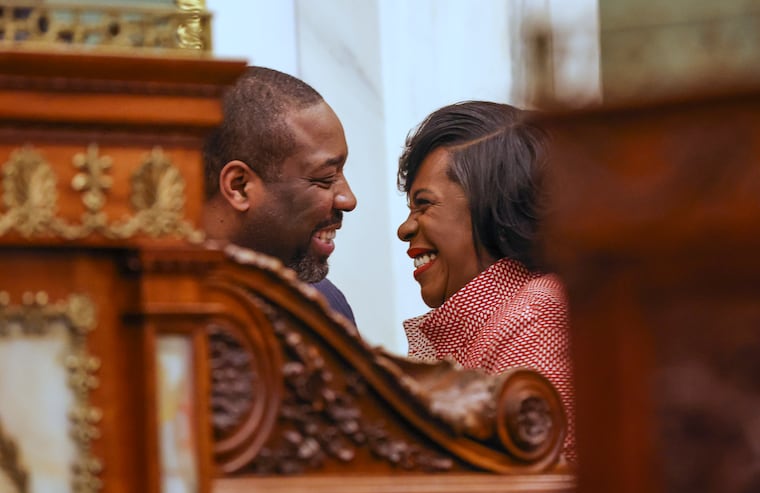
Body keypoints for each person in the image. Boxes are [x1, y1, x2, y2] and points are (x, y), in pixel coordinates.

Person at [396, 100, 574, 460]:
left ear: (491, 205)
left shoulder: (536, 319)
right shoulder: (501, 317)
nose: (405, 229)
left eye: (424, 204)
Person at [203, 66, 357, 325]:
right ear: (239, 186)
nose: (348, 199)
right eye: (325, 179)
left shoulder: (324, 307)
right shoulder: (150, 301)